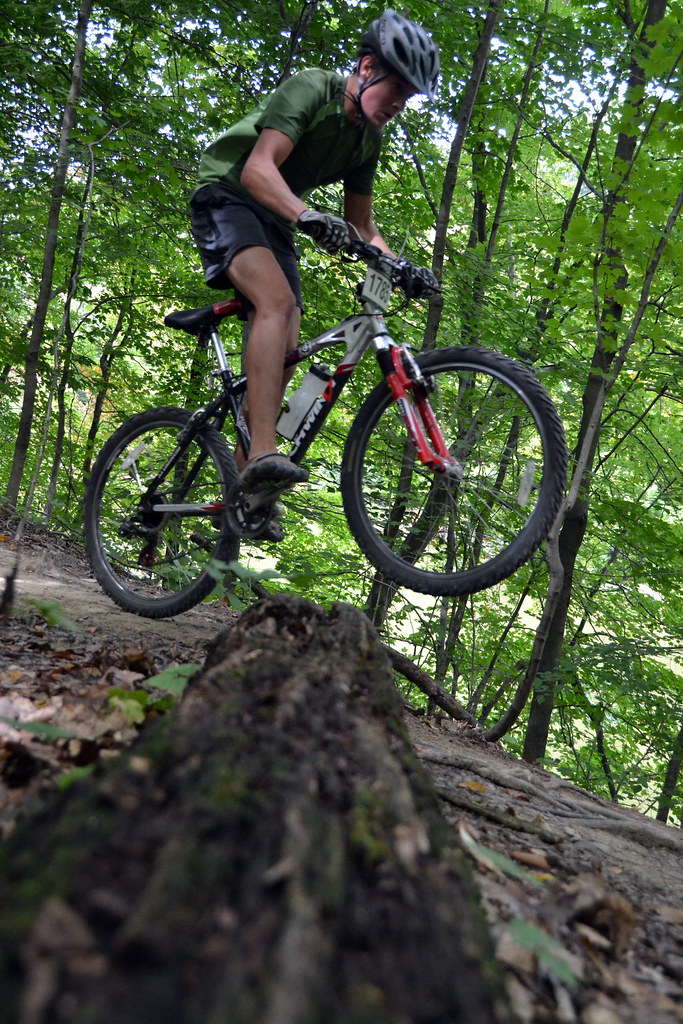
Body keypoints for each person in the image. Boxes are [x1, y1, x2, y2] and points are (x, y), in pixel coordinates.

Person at [189, 9, 440, 537]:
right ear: (367, 67)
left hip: (277, 218)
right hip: (231, 194)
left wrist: (400, 266)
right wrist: (305, 215)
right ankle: (262, 452)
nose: (400, 103)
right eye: (396, 87)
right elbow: (260, 168)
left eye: (410, 96)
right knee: (274, 304)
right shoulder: (313, 89)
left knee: (290, 345)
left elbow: (362, 224)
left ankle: (241, 494)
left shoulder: (368, 140)